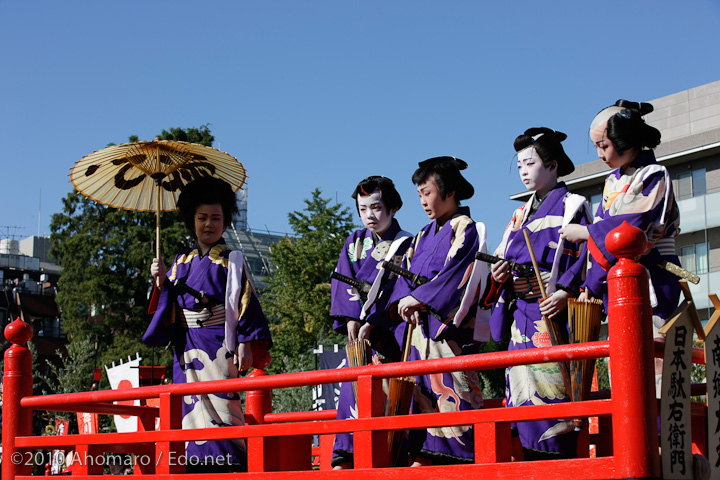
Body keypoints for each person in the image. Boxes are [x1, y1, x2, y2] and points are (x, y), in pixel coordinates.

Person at [142, 176, 272, 472]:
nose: (209, 224)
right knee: (188, 408)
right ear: (192, 220)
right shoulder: (179, 263)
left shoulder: (232, 260)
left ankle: (229, 464)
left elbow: (246, 302)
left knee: (222, 407)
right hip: (185, 345)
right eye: (202, 218)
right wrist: (161, 281)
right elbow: (167, 308)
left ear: (225, 221)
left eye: (216, 218)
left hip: (218, 344)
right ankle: (191, 464)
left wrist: (245, 342)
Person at [560, 100, 681, 395]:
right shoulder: (611, 181)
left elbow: (630, 227)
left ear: (623, 138)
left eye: (604, 145)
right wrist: (588, 284)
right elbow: (605, 231)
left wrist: (586, 232)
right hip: (616, 281)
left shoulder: (654, 174)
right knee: (624, 370)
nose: (601, 154)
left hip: (652, 276)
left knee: (651, 371)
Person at [485, 127, 592, 460]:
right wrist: (498, 274)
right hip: (522, 315)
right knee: (520, 397)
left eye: (530, 164)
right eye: (519, 167)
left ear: (553, 165)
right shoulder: (519, 214)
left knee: (553, 398)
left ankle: (556, 461)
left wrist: (564, 290)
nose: (524, 172)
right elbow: (500, 259)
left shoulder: (574, 205)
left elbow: (588, 255)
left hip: (553, 313)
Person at [386, 156, 486, 466]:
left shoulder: (465, 227)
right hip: (418, 330)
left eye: (427, 192)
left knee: (452, 388)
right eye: (419, 195)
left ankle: (462, 456)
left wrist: (422, 299)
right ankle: (425, 454)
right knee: (423, 393)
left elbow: (458, 274)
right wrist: (406, 304)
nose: (423, 201)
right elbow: (405, 277)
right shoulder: (422, 235)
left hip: (446, 328)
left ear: (449, 191)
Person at [330, 176, 413, 468]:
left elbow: (401, 292)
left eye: (376, 208)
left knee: (390, 400)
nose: (369, 216)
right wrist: (350, 318)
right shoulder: (354, 243)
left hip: (389, 336)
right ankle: (346, 454)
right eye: (363, 209)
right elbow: (343, 281)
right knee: (352, 395)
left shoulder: (406, 245)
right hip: (359, 339)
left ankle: (392, 455)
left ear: (392, 207)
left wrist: (376, 320)